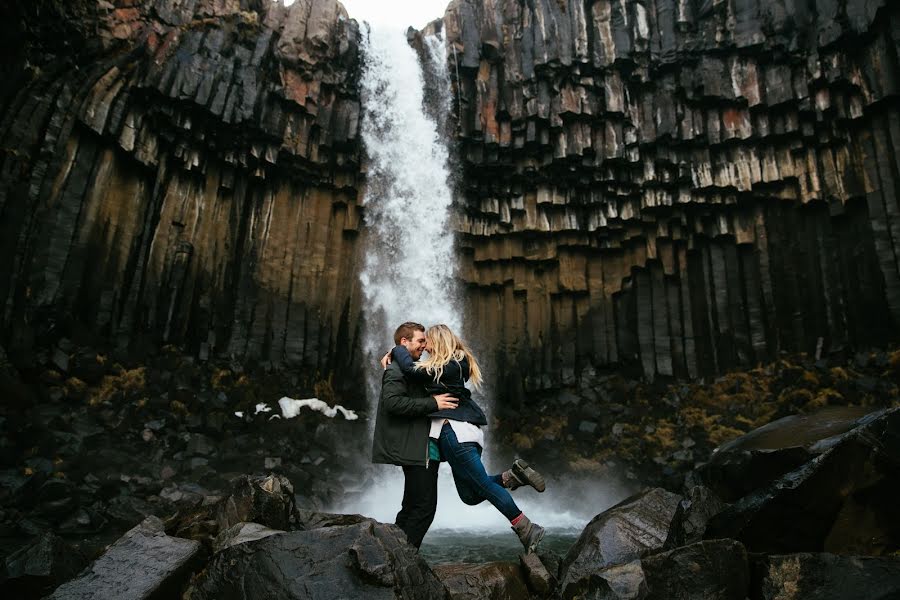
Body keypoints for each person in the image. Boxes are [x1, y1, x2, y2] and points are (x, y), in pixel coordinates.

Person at [387, 323, 547, 552]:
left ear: (438, 340)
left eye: (427, 341)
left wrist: (397, 349)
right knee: (469, 496)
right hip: (466, 432)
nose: (424, 346)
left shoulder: (444, 367)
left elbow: (410, 370)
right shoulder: (456, 362)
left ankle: (525, 527)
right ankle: (511, 477)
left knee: (481, 483)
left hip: (454, 432)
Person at [371, 322, 459, 548]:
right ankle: (403, 561)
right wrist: (433, 403)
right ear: (404, 342)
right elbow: (392, 403)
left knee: (412, 506)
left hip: (420, 446)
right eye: (421, 341)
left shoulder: (410, 367)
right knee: (423, 508)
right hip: (417, 449)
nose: (425, 345)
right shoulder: (395, 369)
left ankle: (391, 553)